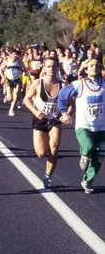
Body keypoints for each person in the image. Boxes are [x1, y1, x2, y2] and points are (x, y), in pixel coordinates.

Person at [58, 59, 105, 194]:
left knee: (100, 155)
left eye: (97, 65)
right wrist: (64, 112)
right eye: (91, 65)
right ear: (86, 69)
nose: (94, 67)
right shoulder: (79, 84)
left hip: (101, 127)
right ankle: (84, 154)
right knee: (88, 146)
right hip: (84, 125)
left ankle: (87, 180)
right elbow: (62, 95)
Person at [24, 57, 64, 188]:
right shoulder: (37, 83)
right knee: (41, 153)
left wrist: (66, 113)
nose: (51, 69)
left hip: (55, 120)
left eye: (54, 66)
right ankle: (44, 148)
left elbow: (71, 103)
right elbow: (26, 100)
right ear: (44, 68)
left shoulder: (62, 85)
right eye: (49, 66)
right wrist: (35, 111)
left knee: (54, 148)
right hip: (40, 120)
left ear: (58, 68)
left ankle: (48, 176)